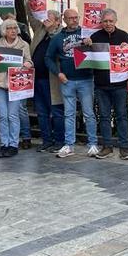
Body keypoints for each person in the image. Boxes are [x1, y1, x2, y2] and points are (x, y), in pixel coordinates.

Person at [46, 9, 98, 158]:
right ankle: (69, 145)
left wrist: (91, 43)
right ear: (65, 19)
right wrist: (58, 73)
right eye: (71, 18)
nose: (74, 20)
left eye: (76, 18)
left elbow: (99, 52)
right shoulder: (57, 38)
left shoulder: (86, 34)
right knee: (69, 114)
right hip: (67, 80)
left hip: (86, 79)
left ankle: (93, 144)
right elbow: (48, 58)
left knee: (89, 113)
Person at [85, 8, 128, 160]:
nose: (108, 24)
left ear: (115, 21)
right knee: (104, 117)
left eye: (110, 21)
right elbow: (84, 56)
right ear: (101, 22)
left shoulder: (124, 35)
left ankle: (124, 148)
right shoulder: (94, 36)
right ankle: (107, 147)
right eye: (105, 21)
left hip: (119, 84)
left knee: (121, 117)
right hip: (101, 84)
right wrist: (86, 44)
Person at [0, 19, 33, 158]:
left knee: (13, 115)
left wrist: (28, 64)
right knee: (2, 115)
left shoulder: (23, 44)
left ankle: (13, 144)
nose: (13, 30)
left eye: (14, 28)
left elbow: (29, 60)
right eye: (9, 28)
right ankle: (4, 144)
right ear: (4, 31)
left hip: (15, 83)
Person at [30, 10, 65, 153]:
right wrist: (31, 2)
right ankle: (46, 140)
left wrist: (51, 31)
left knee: (56, 111)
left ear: (57, 21)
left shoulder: (61, 33)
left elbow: (59, 50)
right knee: (41, 112)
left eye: (49, 20)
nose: (45, 22)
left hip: (53, 79)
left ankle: (59, 141)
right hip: (37, 78)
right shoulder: (40, 31)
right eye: (45, 19)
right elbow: (32, 18)